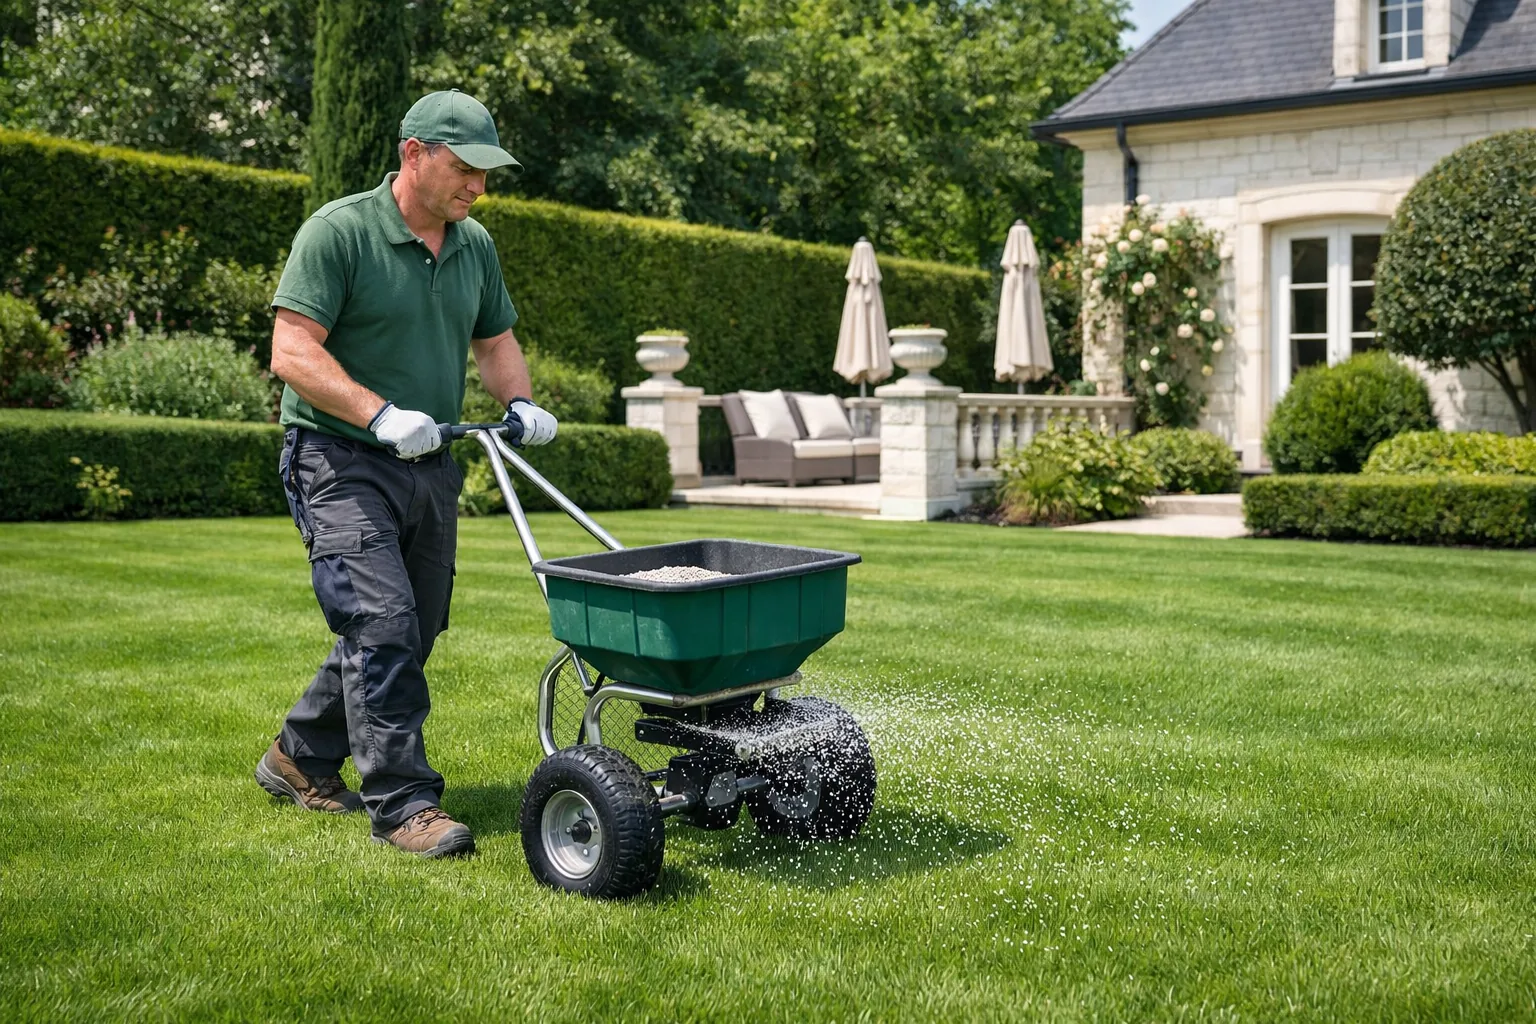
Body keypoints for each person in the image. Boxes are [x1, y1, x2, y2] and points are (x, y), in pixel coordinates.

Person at [254, 90, 556, 858]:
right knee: (381, 624)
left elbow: (495, 343)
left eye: (486, 174)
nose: (478, 188)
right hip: (337, 457)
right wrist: (378, 413)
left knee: (410, 628)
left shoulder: (473, 244)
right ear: (413, 153)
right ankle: (403, 804)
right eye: (465, 169)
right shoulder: (340, 231)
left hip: (427, 460)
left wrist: (519, 401)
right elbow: (292, 353)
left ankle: (297, 753)